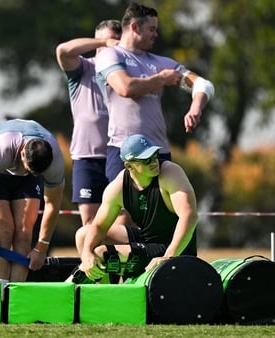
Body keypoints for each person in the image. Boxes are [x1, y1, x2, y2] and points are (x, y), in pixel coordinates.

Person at [95, 2, 215, 182]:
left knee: (168, 209)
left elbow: (203, 85)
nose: (155, 35)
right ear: (135, 27)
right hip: (123, 151)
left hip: (159, 152)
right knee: (122, 210)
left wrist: (195, 107)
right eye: (151, 29)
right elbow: (125, 88)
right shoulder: (110, 55)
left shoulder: (161, 63)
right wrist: (162, 79)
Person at [76, 134, 198, 283]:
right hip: (147, 240)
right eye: (146, 159)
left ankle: (102, 298)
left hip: (173, 248)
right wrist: (87, 252)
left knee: (103, 253)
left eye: (155, 155)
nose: (154, 161)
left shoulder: (170, 173)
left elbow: (189, 217)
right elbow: (100, 226)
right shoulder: (119, 186)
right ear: (129, 165)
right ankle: (104, 296)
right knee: (83, 236)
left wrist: (169, 256)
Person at [0, 119, 65, 290]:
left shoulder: (54, 162)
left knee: (24, 233)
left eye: (35, 172)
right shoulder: (1, 150)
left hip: (26, 176)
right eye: (28, 168)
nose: (28, 172)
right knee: (2, 231)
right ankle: (0, 297)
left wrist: (41, 247)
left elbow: (52, 205)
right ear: (22, 155)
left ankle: (15, 302)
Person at [55, 20, 121, 228]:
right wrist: (103, 42)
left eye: (115, 42)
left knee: (123, 219)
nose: (109, 47)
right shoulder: (84, 67)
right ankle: (91, 261)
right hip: (87, 157)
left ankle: (119, 260)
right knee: (90, 223)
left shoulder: (124, 73)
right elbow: (63, 50)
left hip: (119, 154)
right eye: (104, 42)